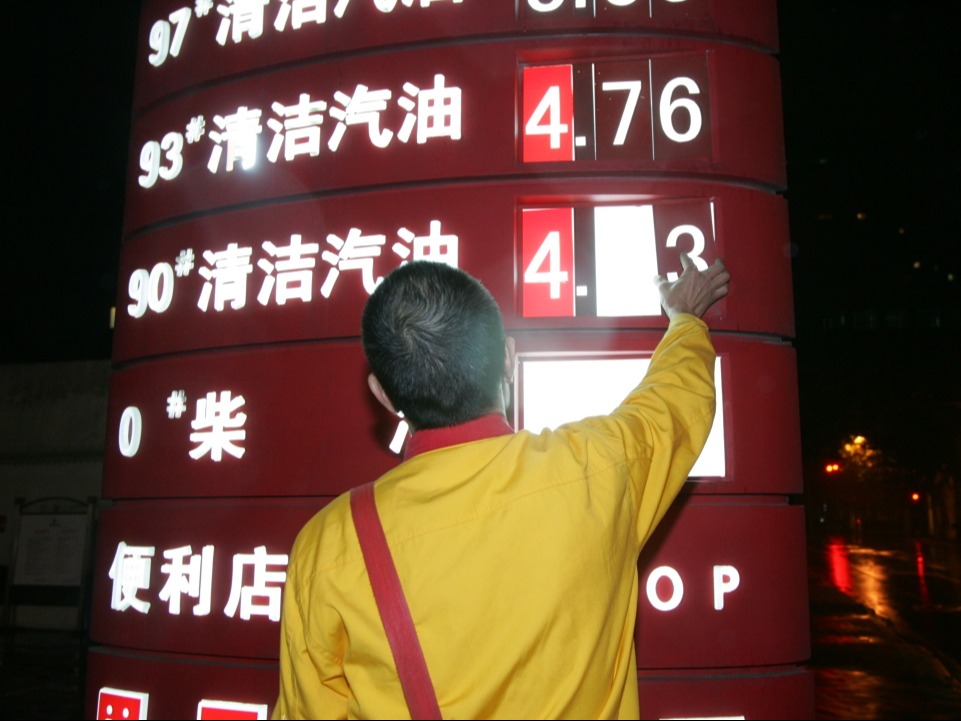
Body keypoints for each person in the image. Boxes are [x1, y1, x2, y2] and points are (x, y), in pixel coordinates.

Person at [273, 253, 730, 720]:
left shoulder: (328, 548)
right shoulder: (595, 467)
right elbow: (675, 401)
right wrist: (684, 319)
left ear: (384, 396)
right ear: (508, 359)